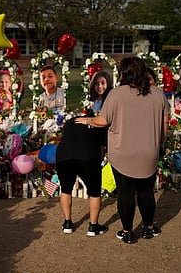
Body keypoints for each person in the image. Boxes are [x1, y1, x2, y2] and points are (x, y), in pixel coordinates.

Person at [76, 56, 170, 244]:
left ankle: (127, 231)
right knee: (146, 192)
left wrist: (86, 120)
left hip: (121, 154)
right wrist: (160, 144)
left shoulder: (116, 94)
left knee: (125, 193)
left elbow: (102, 121)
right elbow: (164, 125)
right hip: (148, 153)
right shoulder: (158, 94)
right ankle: (149, 228)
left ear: (124, 73)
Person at [56, 108, 108, 236]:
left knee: (66, 189)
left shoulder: (70, 122)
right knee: (94, 192)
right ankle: (93, 226)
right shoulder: (98, 124)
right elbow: (102, 147)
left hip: (63, 154)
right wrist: (98, 161)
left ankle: (67, 223)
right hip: (87, 155)